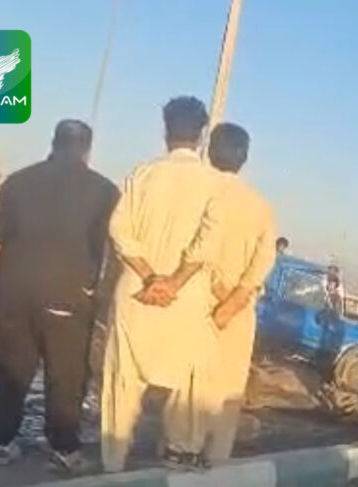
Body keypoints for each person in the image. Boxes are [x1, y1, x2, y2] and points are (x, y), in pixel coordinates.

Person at [0, 120, 119, 470]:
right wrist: (101, 292)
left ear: (53, 142)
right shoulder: (104, 191)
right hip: (68, 295)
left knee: (11, 367)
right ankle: (63, 449)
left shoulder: (17, 181)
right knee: (65, 374)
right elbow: (113, 251)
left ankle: (0, 441)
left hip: (14, 290)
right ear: (87, 149)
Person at [101, 96, 224, 472]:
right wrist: (174, 282)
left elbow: (118, 229)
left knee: (121, 385)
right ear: (201, 136)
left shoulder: (143, 174)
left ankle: (112, 464)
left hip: (137, 293)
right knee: (186, 387)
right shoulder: (213, 183)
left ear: (165, 130)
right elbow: (208, 243)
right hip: (185, 301)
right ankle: (177, 459)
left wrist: (150, 276)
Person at [163, 122, 277, 464]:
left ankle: (179, 450)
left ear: (209, 150)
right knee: (228, 388)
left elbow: (187, 247)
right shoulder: (260, 206)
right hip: (238, 311)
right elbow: (263, 262)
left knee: (189, 380)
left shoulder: (195, 192)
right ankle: (215, 459)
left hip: (194, 300)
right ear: (245, 157)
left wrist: (212, 286)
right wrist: (234, 300)